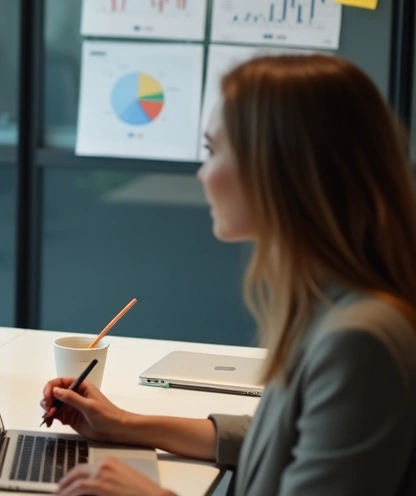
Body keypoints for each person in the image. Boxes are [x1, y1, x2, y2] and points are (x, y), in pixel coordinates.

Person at [39, 55, 416, 496]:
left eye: (213, 151)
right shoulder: (329, 302)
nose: (202, 173)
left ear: (278, 170)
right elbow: (274, 435)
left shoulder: (360, 340)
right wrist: (121, 424)